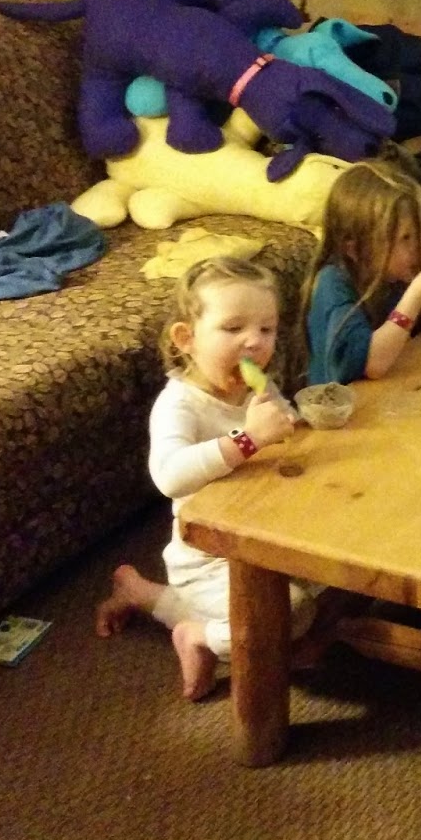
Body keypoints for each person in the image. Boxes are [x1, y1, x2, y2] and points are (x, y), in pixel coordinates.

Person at [95, 255, 317, 701]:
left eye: (267, 329)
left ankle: (140, 592)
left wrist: (292, 422)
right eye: (233, 328)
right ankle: (196, 636)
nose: (254, 341)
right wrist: (247, 440)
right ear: (187, 339)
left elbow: (283, 429)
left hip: (268, 532)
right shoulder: (179, 404)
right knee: (287, 613)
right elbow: (169, 476)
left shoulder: (257, 387)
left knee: (333, 582)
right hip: (208, 557)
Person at [300, 149, 421, 385]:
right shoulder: (333, 285)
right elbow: (372, 363)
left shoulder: (388, 273)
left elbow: (388, 321)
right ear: (355, 249)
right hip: (351, 405)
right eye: (406, 237)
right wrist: (417, 295)